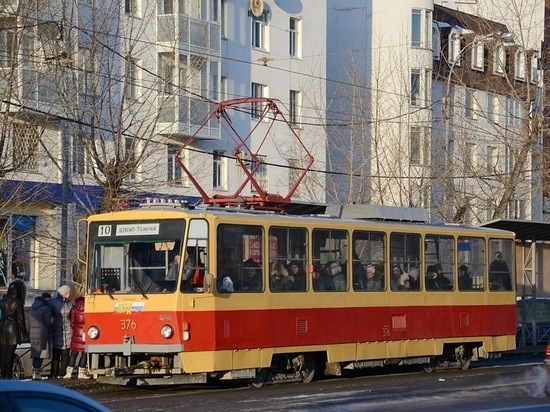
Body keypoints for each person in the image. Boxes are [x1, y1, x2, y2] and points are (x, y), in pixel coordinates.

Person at [0, 282, 29, 379]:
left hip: (3, 327)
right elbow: (21, 321)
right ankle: (8, 377)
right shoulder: (18, 303)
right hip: (12, 329)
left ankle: (3, 376)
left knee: (3, 355)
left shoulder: (3, 300)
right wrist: (24, 334)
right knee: (10, 355)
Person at [63, 295, 90, 380]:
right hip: (85, 333)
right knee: (84, 352)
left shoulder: (74, 308)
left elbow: (72, 321)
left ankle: (69, 372)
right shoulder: (89, 308)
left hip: (76, 332)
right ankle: (81, 372)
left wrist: (75, 328)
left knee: (74, 352)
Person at [30, 292, 54, 380]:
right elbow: (48, 322)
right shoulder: (46, 308)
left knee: (36, 353)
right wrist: (53, 320)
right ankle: (37, 373)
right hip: (42, 333)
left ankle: (34, 372)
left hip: (33, 332)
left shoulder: (33, 307)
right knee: (41, 354)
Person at [51, 285, 73, 379]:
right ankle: (54, 373)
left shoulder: (69, 303)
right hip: (57, 332)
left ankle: (62, 373)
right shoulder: (54, 303)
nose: (70, 294)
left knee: (65, 356)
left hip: (68, 332)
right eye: (68, 292)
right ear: (64, 293)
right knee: (56, 355)